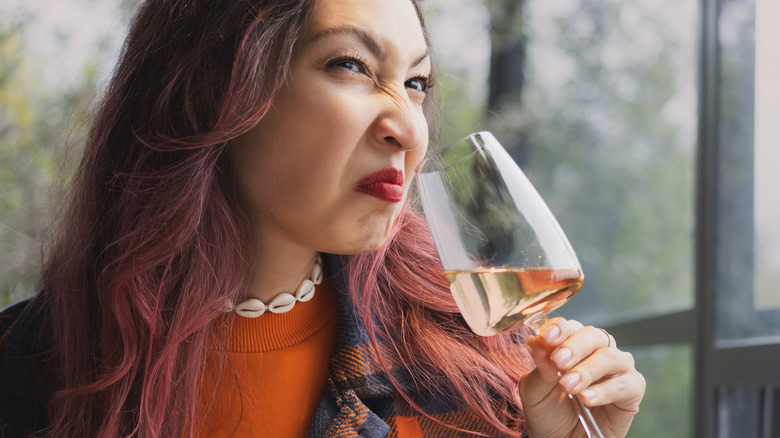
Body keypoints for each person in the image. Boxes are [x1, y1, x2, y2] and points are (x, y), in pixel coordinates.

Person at [0, 0, 646, 436]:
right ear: (213, 89)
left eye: (415, 82)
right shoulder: (28, 369)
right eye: (351, 66)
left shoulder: (472, 368)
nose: (406, 126)